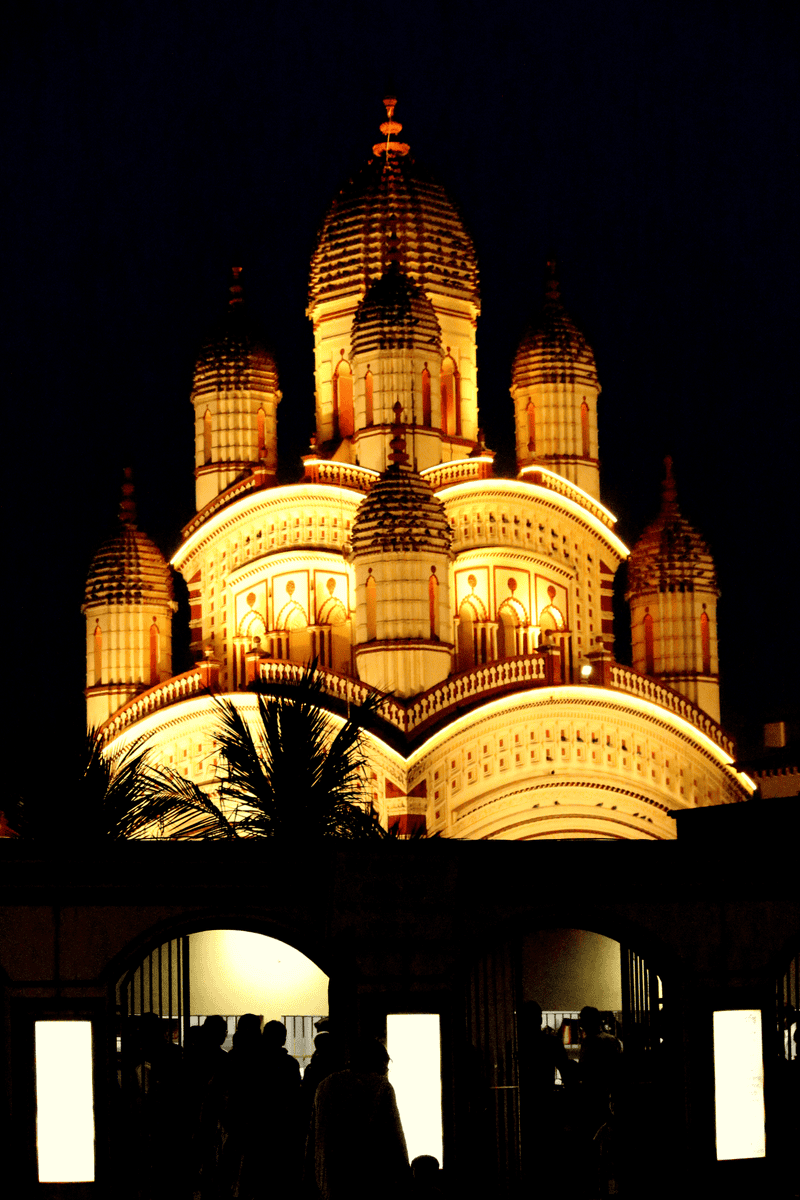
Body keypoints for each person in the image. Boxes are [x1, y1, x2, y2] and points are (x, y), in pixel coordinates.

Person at [304, 1036, 411, 1200]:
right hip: (369, 1179)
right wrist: (405, 1177)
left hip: (329, 1179)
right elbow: (394, 1136)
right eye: (385, 1065)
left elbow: (313, 1136)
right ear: (378, 1062)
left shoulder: (325, 1085)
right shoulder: (380, 1086)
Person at [517, 1001, 573, 1193]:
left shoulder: (515, 1044)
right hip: (546, 1105)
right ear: (540, 1020)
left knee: (526, 1154)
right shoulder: (552, 1043)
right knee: (548, 1155)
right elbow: (567, 1074)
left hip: (522, 1106)